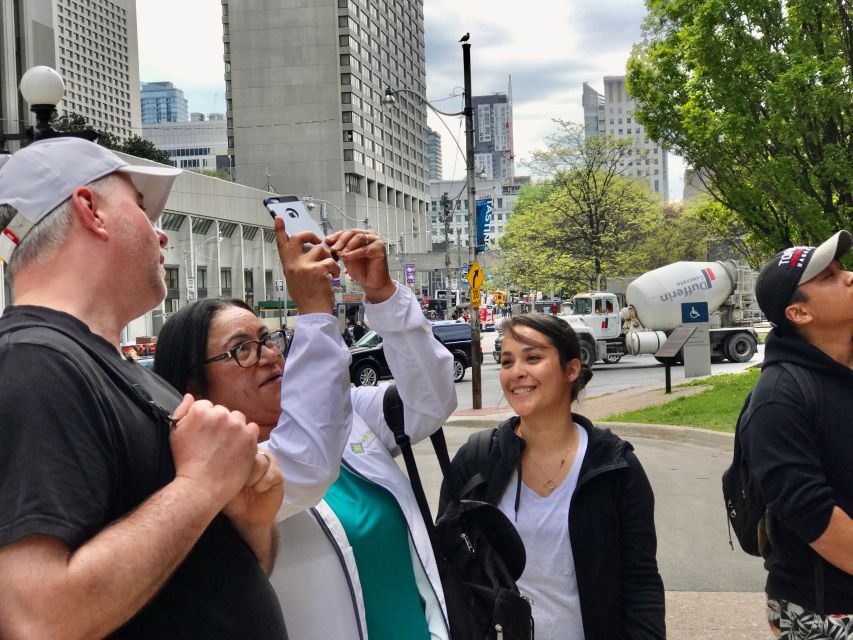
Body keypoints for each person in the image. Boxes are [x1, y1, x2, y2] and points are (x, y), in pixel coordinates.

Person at [0, 138, 286, 639]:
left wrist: (249, 521)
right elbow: (38, 621)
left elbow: (217, 573)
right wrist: (201, 487)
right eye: (140, 206)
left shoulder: (114, 368)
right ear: (90, 210)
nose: (162, 236)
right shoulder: (36, 362)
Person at [154, 219, 458, 640]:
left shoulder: (346, 415)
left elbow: (432, 401)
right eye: (241, 349)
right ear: (193, 385)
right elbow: (303, 464)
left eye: (268, 339)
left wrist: (384, 295)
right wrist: (315, 313)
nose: (267, 356)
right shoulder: (216, 476)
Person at [441, 313, 665, 640]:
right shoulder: (475, 460)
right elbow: (449, 567)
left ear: (571, 368)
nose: (516, 372)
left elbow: (641, 581)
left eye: (533, 358)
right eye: (506, 361)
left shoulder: (615, 467)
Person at [742, 230, 853, 638]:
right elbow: (814, 515)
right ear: (799, 313)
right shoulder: (779, 398)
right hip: (828, 610)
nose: (849, 277)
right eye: (829, 277)